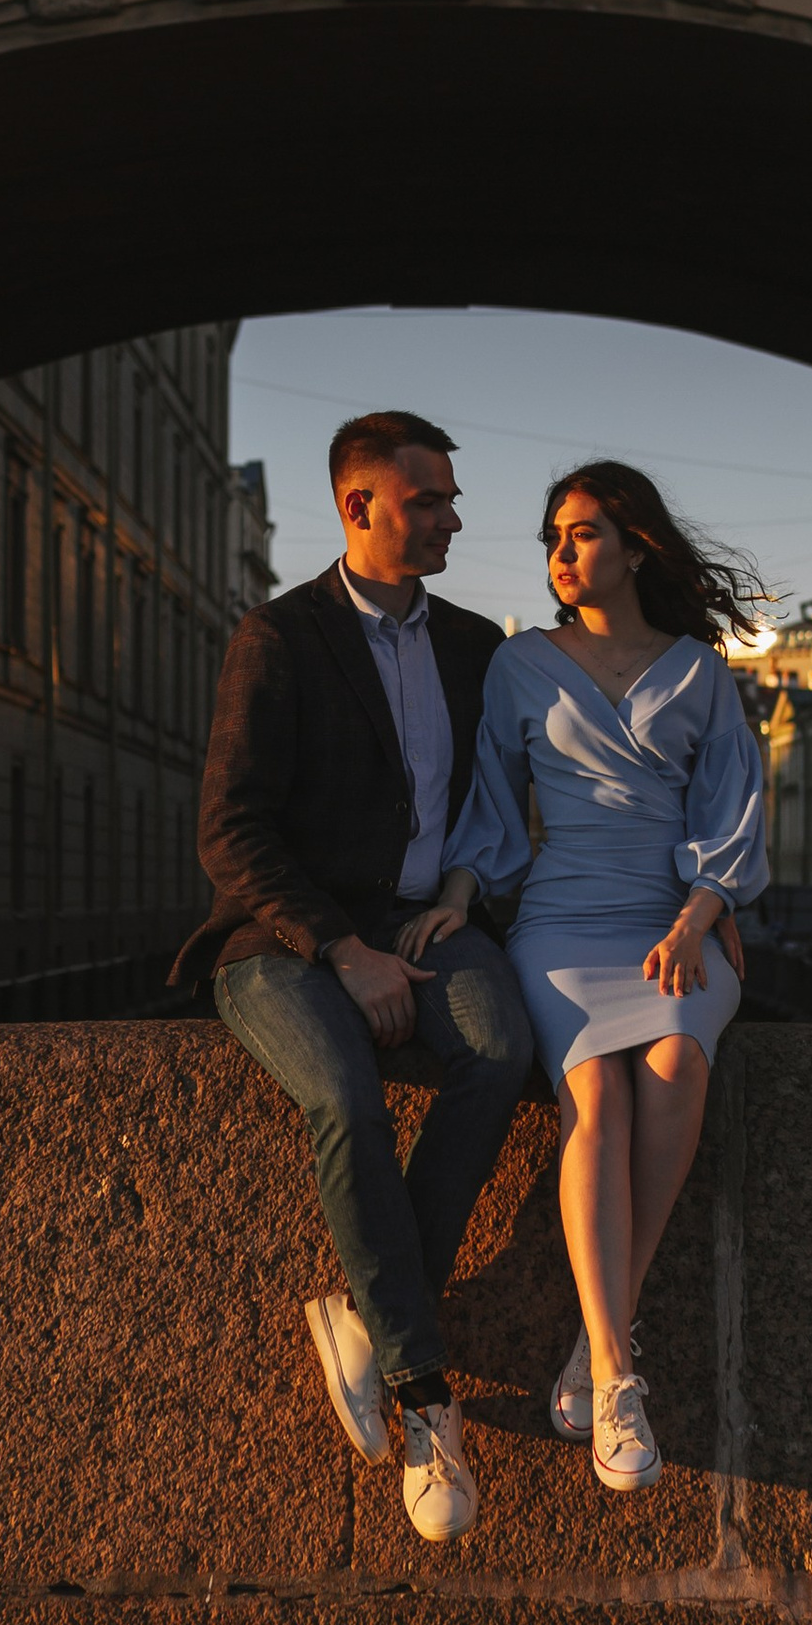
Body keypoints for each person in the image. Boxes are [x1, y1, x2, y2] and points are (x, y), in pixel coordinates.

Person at [174, 411, 534, 1545]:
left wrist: (458, 897)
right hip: (283, 941)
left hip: (434, 922)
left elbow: (499, 805)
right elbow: (230, 831)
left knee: (498, 1051)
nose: (451, 518)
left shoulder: (480, 646)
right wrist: (341, 946)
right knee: (343, 1094)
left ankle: (372, 1319)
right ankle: (426, 1397)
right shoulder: (277, 638)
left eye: (448, 500)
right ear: (358, 506)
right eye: (427, 499)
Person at [407, 463, 768, 1498]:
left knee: (676, 1063)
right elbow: (491, 801)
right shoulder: (524, 665)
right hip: (561, 924)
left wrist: (702, 913)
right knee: (596, 1098)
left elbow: (731, 811)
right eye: (551, 539)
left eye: (580, 534)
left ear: (634, 545)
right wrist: (461, 893)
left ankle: (596, 1351)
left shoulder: (697, 669)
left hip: (673, 923)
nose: (560, 555)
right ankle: (615, 1372)